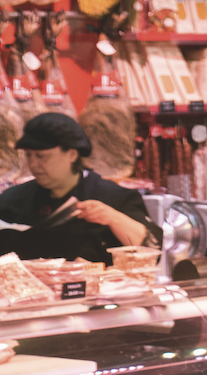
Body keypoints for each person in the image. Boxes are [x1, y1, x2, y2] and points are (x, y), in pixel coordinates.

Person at [0, 112, 161, 264]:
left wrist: (113, 218)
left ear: (72, 154)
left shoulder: (115, 197)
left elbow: (152, 250)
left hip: (99, 284)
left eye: (42, 156)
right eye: (29, 155)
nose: (33, 164)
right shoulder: (12, 201)